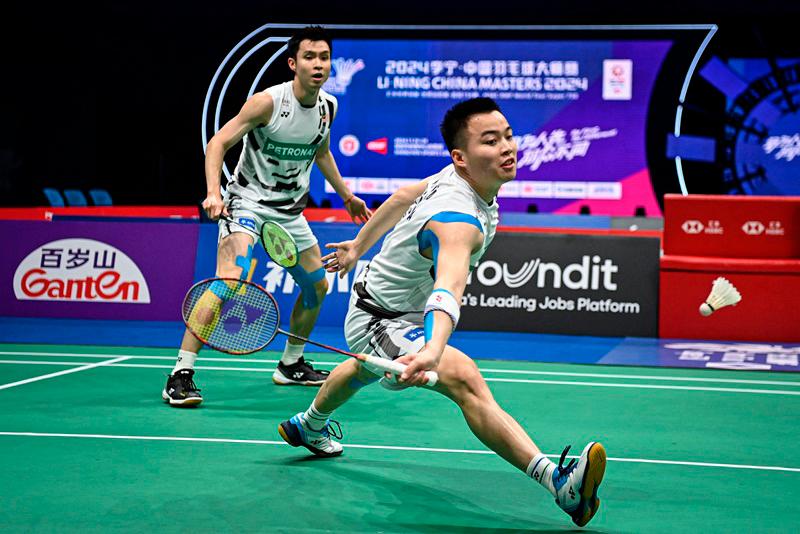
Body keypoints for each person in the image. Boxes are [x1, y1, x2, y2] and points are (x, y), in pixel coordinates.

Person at [277, 98, 606, 527]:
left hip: (390, 303)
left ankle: (308, 424)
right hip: (382, 317)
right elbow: (448, 288)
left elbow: (403, 196)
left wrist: (359, 246)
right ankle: (561, 485)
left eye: (507, 135)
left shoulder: (457, 178)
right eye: (490, 141)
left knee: (362, 371)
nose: (507, 147)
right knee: (463, 377)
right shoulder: (457, 220)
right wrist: (433, 349)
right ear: (461, 157)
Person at [163, 25, 371, 406]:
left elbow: (321, 151)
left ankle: (290, 364)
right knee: (230, 282)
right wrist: (213, 193)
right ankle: (180, 373)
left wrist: (347, 196)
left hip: (289, 213)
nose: (318, 64)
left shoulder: (328, 107)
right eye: (309, 57)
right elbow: (219, 142)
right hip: (246, 204)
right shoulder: (268, 103)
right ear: (293, 63)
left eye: (324, 57)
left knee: (317, 286)